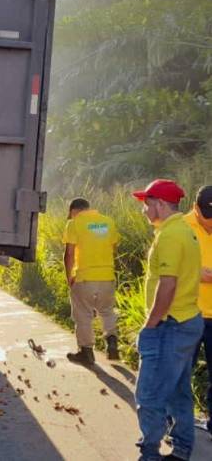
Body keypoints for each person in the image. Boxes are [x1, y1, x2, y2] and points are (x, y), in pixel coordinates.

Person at [132, 179, 203, 461]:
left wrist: (150, 325)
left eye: (147, 205)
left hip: (169, 325)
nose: (144, 211)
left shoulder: (171, 235)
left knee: (149, 393)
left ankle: (150, 452)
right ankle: (182, 450)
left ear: (160, 204)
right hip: (187, 320)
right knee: (178, 392)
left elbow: (168, 285)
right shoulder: (185, 230)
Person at [62, 198, 120, 365]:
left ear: (74, 211)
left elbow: (69, 254)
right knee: (107, 311)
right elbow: (114, 247)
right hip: (107, 276)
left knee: (83, 314)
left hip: (84, 277)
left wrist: (69, 277)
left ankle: (86, 352)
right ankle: (112, 341)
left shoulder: (74, 223)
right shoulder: (107, 222)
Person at [184, 185, 212, 434]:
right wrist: (195, 273)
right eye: (207, 218)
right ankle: (179, 423)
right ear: (195, 208)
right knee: (182, 371)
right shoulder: (179, 227)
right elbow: (163, 267)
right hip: (187, 313)